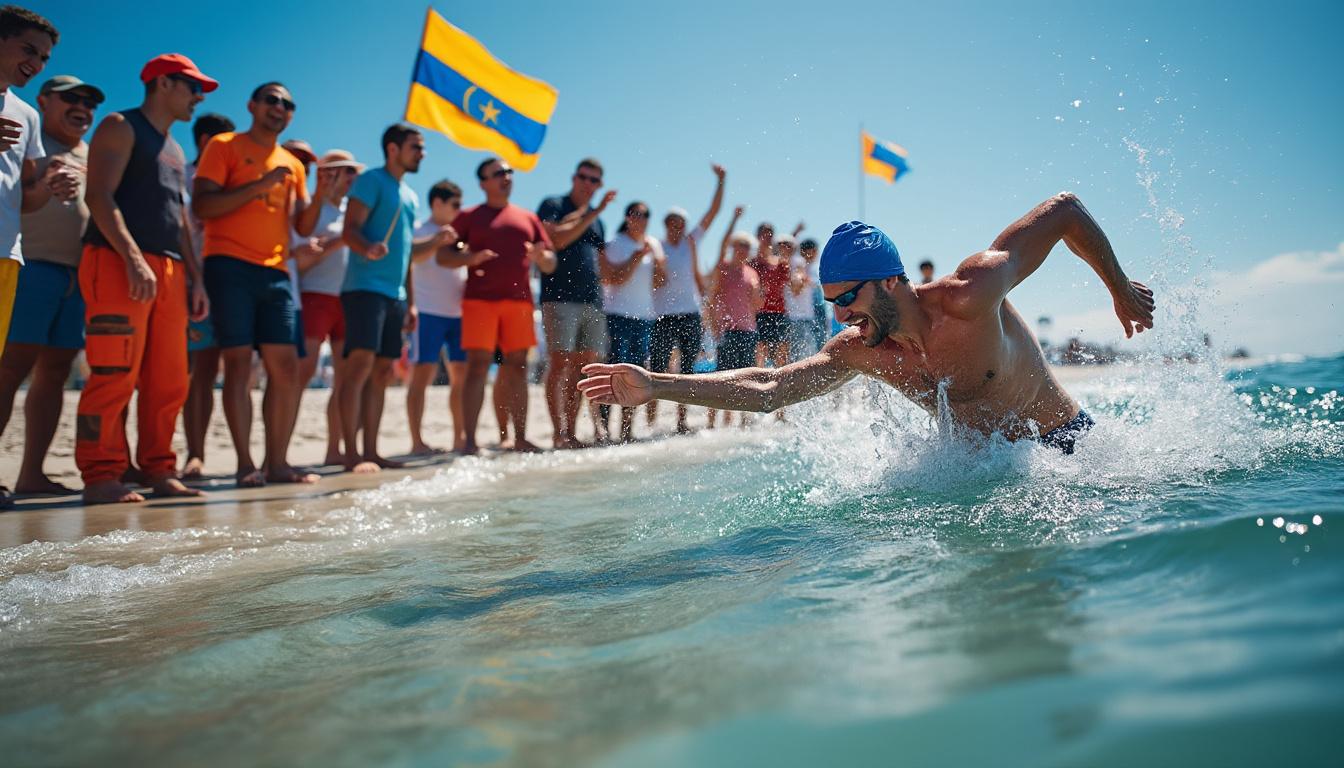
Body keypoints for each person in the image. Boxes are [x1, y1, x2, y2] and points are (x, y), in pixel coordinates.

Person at [580, 194, 1157, 455]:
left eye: (847, 298)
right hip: (984, 476)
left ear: (888, 281)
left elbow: (1065, 212)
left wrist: (1120, 288)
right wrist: (657, 384)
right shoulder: (862, 350)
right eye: (831, 302)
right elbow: (772, 387)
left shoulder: (970, 294)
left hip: (1066, 451)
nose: (838, 316)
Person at [75, 53, 216, 505]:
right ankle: (100, 474)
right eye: (192, 87)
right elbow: (98, 195)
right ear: (162, 84)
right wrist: (133, 258)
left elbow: (178, 223)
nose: (198, 97)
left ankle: (158, 468)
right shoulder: (120, 124)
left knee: (169, 379)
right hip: (117, 260)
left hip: (170, 270)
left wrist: (196, 280)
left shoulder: (175, 149)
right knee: (113, 371)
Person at [193, 82, 327, 487]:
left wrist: (322, 191)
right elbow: (203, 206)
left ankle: (278, 462)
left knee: (285, 368)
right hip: (228, 264)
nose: (280, 108)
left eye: (288, 103)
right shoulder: (224, 145)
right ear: (251, 105)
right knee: (237, 365)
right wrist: (260, 185)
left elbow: (301, 225)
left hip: (276, 272)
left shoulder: (294, 164)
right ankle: (244, 464)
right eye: (272, 100)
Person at [0, 74, 98, 500]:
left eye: (89, 102)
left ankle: (31, 474)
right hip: (32, 267)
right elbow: (19, 194)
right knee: (11, 368)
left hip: (77, 276)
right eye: (71, 98)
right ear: (43, 101)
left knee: (55, 373)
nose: (83, 107)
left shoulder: (95, 154)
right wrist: (45, 183)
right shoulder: (29, 137)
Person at [338, 124, 448, 472]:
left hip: (395, 295)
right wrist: (367, 246)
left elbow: (407, 254)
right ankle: (351, 454)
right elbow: (349, 231)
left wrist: (411, 300)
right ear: (392, 149)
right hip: (364, 289)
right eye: (416, 146)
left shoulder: (410, 196)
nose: (422, 153)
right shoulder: (371, 181)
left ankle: (371, 451)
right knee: (358, 368)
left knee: (383, 371)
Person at [440, 156, 556, 454]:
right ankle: (468, 441)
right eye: (498, 172)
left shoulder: (528, 218)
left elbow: (550, 262)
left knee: (517, 367)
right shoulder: (469, 216)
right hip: (480, 301)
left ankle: (519, 437)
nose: (506, 176)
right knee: (477, 368)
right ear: (483, 182)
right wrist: (469, 258)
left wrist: (541, 258)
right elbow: (443, 256)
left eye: (509, 171)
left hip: (519, 303)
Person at [0, 5, 59, 507]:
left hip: (6, 253)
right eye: (27, 50)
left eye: (42, 56)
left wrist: (50, 187)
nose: (35, 63)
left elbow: (28, 196)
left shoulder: (27, 114)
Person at [535, 158, 615, 449]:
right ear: (574, 177)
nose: (588, 184)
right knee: (559, 364)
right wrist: (592, 211)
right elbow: (554, 239)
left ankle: (571, 431)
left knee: (584, 368)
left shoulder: (599, 221)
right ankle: (559, 434)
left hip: (592, 300)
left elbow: (604, 266)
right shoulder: (554, 204)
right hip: (559, 298)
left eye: (594, 180)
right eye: (584, 177)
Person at [293, 149, 361, 465]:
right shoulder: (311, 208)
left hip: (347, 300)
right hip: (314, 295)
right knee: (301, 374)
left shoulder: (351, 210)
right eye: (346, 171)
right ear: (328, 173)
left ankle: (337, 450)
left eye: (353, 172)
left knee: (345, 379)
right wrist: (340, 241)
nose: (352, 178)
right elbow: (301, 262)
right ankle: (279, 455)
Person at [648, 163, 725, 434]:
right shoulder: (656, 247)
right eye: (672, 223)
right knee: (657, 368)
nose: (677, 227)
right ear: (666, 225)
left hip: (690, 313)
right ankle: (650, 421)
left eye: (680, 223)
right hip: (662, 316)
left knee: (687, 370)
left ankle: (681, 422)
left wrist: (721, 181)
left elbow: (712, 213)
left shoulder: (690, 242)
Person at [180, 112, 233, 479]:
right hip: (178, 281)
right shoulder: (179, 176)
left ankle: (195, 453)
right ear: (204, 142)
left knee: (205, 372)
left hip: (221, 284)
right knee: (173, 373)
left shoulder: (232, 184)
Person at [406, 178, 467, 455]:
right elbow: (410, 257)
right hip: (428, 312)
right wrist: (436, 240)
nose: (459, 209)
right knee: (421, 376)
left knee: (461, 378)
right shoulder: (419, 228)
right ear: (438, 203)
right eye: (455, 204)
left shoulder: (460, 232)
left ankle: (459, 439)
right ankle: (417, 442)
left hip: (458, 314)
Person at [599, 200, 663, 443]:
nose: (641, 219)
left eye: (646, 215)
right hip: (617, 316)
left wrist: (657, 261)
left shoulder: (653, 243)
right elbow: (613, 279)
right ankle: (604, 431)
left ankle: (626, 432)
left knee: (636, 375)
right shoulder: (615, 244)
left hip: (644, 318)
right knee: (613, 372)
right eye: (636, 214)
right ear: (627, 217)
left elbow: (659, 282)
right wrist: (637, 257)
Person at [701, 206, 761, 427]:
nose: (743, 249)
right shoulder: (723, 267)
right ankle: (713, 422)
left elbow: (757, 304)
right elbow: (711, 298)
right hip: (727, 329)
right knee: (722, 377)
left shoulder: (751, 273)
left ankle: (744, 420)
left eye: (746, 246)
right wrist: (713, 324)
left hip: (747, 330)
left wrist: (757, 293)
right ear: (732, 247)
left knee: (746, 377)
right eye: (739, 245)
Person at [781, 234, 819, 361]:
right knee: (801, 355)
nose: (786, 248)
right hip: (797, 317)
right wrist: (801, 282)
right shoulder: (796, 262)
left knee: (802, 353)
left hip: (802, 316)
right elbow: (796, 288)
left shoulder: (794, 262)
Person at [799, 237, 828, 350]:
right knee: (810, 338)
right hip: (809, 308)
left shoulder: (817, 266)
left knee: (821, 336)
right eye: (812, 250)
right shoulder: (802, 267)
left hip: (820, 306)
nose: (814, 253)